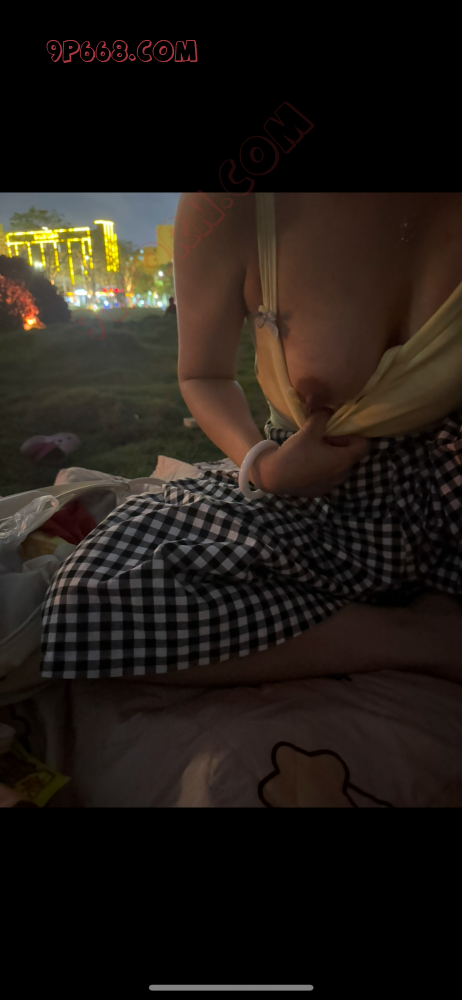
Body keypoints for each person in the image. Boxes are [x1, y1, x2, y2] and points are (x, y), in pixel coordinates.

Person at [40, 193, 462, 686]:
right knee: (90, 604)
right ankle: (425, 637)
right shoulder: (231, 200)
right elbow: (203, 375)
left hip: (449, 499)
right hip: (318, 509)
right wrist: (263, 466)